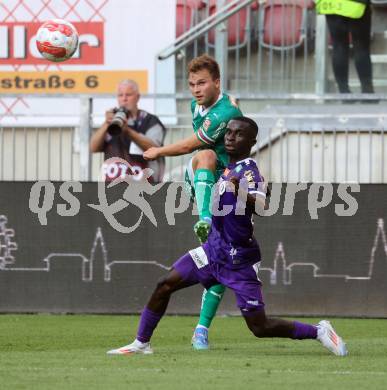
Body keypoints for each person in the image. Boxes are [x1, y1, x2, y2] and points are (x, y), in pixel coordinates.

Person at [107, 117, 348, 357]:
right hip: (213, 251)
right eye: (229, 132)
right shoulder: (228, 168)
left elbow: (263, 206)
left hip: (239, 260)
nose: (231, 137)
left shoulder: (249, 172)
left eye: (239, 134)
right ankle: (141, 343)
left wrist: (240, 190)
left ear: (252, 141)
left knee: (260, 327)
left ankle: (319, 331)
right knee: (165, 284)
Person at [143, 55, 242, 349]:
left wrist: (158, 151)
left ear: (217, 82)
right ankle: (204, 219)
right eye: (191, 85)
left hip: (227, 189)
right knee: (207, 155)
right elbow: (197, 149)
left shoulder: (224, 112)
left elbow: (188, 143)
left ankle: (201, 330)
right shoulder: (198, 105)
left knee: (225, 259)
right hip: (203, 179)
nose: (196, 90)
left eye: (202, 83)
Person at [90, 79, 166, 183]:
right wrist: (106, 124)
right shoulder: (112, 121)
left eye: (128, 95)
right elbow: (93, 147)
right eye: (120, 95)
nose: (124, 99)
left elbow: (154, 148)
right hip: (113, 184)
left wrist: (127, 131)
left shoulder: (150, 121)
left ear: (137, 97)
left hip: (145, 185)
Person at [316, 0, 374, 96]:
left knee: (338, 46)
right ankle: (367, 91)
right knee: (361, 47)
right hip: (356, 4)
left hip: (331, 4)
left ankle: (343, 92)